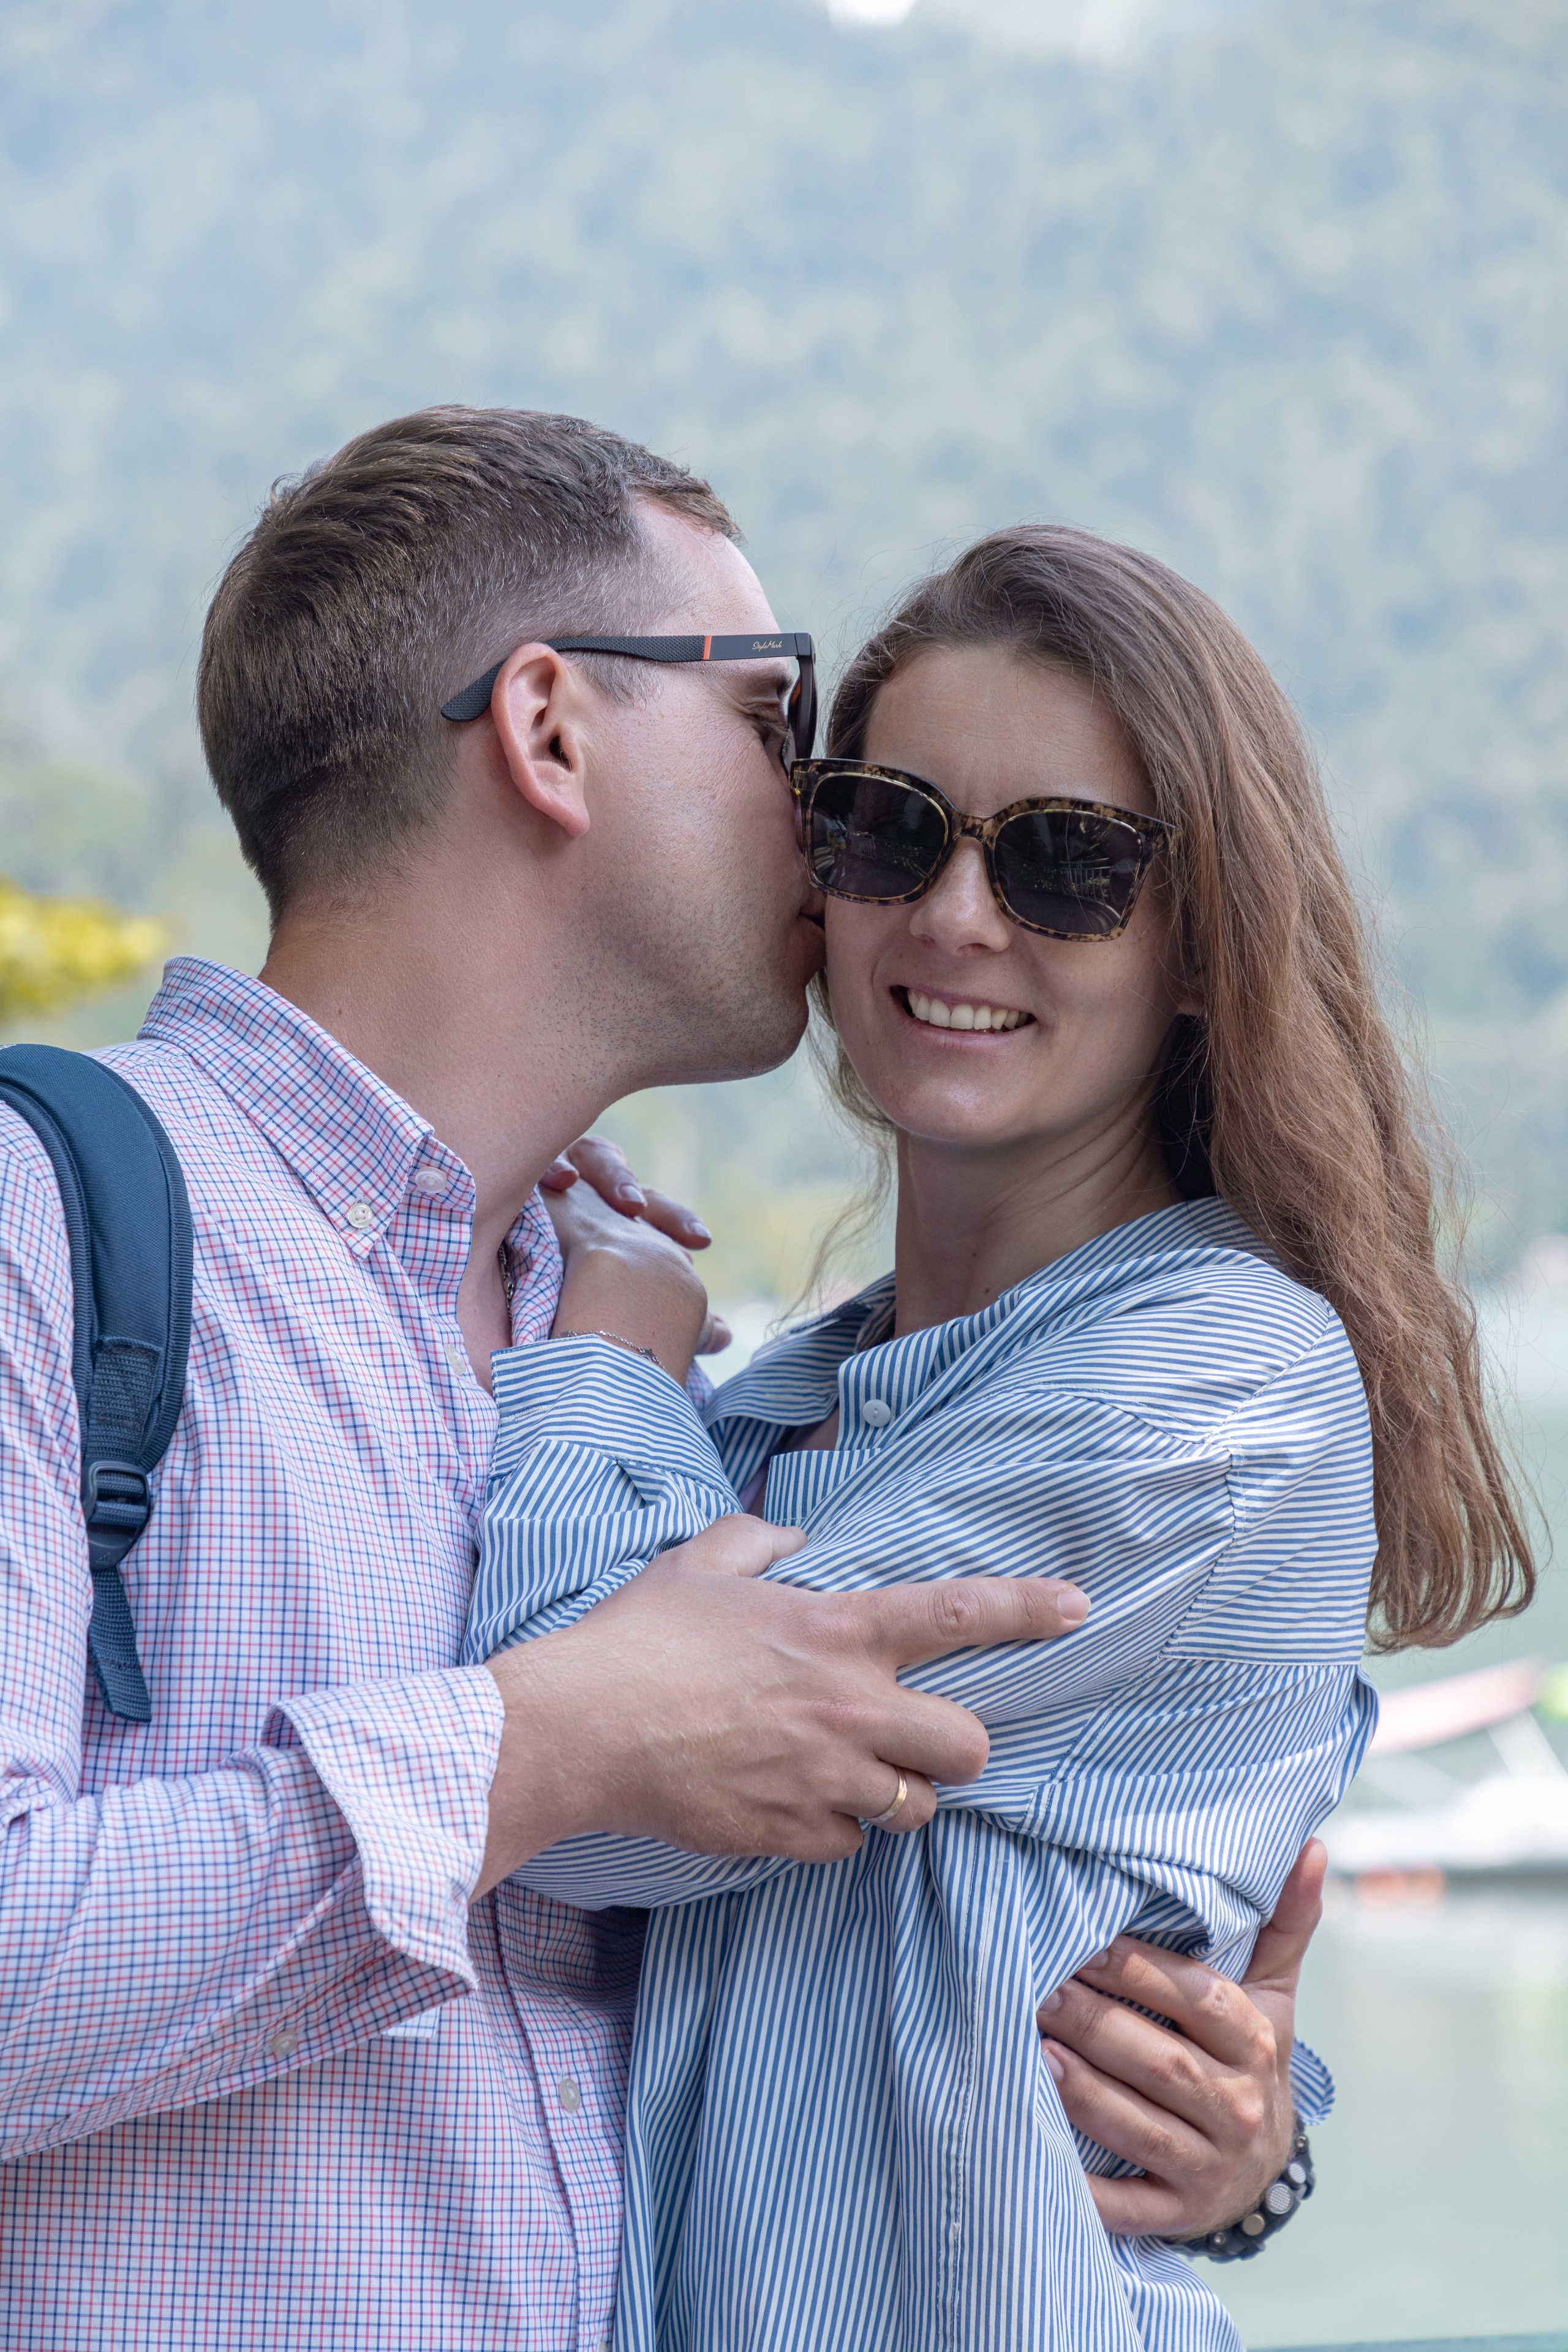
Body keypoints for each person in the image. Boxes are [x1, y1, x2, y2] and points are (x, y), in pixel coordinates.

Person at [0, 412, 1335, 2351]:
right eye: (795, 742)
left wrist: (1236, 2131)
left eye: (1056, 862)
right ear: (549, 733)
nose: (841, 840)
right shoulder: (54, 1234)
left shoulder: (627, 1348)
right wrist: (543, 1746)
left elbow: (942, 1917)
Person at [462, 524, 1536, 2350]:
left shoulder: (1210, 1388)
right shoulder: (812, 1391)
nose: (960, 917)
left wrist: (611, 1359)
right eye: (892, 828)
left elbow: (582, 1796)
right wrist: (1261, 2143)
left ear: (1202, 945)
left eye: (1067, 866)